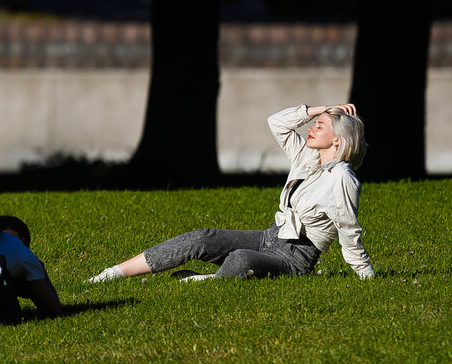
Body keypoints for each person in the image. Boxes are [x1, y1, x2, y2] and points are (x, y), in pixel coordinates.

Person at [88, 103, 375, 283]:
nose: (311, 128)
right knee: (202, 237)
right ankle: (111, 274)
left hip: (294, 259)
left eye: (320, 126)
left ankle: (206, 281)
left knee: (241, 259)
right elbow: (277, 122)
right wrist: (318, 110)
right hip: (268, 236)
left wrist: (366, 277)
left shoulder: (342, 179)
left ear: (337, 140)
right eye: (314, 123)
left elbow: (349, 231)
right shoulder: (306, 157)